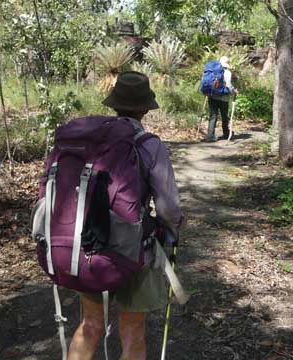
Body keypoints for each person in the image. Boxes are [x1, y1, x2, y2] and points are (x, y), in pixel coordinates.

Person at [68, 71, 184, 360]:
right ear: (145, 108)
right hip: (134, 247)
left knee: (91, 325)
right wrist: (173, 231)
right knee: (132, 330)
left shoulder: (89, 138)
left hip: (86, 243)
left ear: (114, 104)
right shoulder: (149, 145)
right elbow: (168, 207)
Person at [205, 55, 236, 142]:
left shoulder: (212, 71)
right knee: (224, 117)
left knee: (213, 116)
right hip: (223, 98)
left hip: (212, 96)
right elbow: (229, 86)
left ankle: (210, 136)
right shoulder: (227, 73)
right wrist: (234, 91)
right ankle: (226, 134)